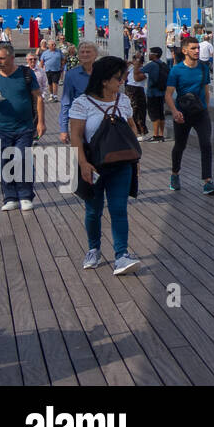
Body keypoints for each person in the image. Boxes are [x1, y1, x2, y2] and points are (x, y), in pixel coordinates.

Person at [68, 55, 141, 275]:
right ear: (104, 80)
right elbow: (76, 137)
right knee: (93, 211)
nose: (122, 82)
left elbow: (131, 129)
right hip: (94, 165)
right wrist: (83, 163)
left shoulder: (124, 101)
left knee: (119, 209)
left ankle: (121, 255)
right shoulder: (82, 103)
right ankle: (94, 249)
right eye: (119, 78)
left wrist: (134, 158)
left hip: (121, 164)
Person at [0, 42, 45, 211]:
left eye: (2, 58)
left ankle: (25, 195)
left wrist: (41, 122)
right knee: (5, 161)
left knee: (21, 159)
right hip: (1, 126)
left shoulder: (25, 73)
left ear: (11, 57)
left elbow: (38, 97)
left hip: (25, 126)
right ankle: (10, 197)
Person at [166, 36, 214, 195]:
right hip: (182, 114)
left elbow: (206, 91)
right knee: (180, 146)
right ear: (184, 50)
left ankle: (207, 181)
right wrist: (175, 112)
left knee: (206, 145)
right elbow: (168, 94)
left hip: (201, 114)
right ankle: (175, 174)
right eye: (193, 48)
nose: (197, 51)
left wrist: (206, 109)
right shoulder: (176, 70)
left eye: (198, 48)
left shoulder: (203, 68)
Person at [59, 41, 98, 145]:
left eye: (88, 52)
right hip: (80, 123)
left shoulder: (103, 73)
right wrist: (64, 129)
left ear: (96, 54)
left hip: (101, 123)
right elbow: (66, 102)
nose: (85, 54)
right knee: (81, 157)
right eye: (82, 52)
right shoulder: (71, 75)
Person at [142, 46, 169, 142]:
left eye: (150, 53)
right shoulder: (163, 65)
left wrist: (137, 61)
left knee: (154, 115)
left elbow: (139, 72)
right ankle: (161, 135)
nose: (149, 55)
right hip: (162, 93)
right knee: (161, 114)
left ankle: (155, 135)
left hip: (152, 93)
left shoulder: (151, 65)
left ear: (155, 55)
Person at [124, 50, 149, 142]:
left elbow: (136, 78)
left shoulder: (143, 70)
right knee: (130, 112)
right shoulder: (131, 68)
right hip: (129, 90)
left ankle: (141, 132)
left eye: (136, 59)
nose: (134, 61)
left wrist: (137, 64)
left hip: (137, 90)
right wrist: (127, 66)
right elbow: (124, 77)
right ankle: (133, 131)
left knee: (138, 111)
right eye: (134, 58)